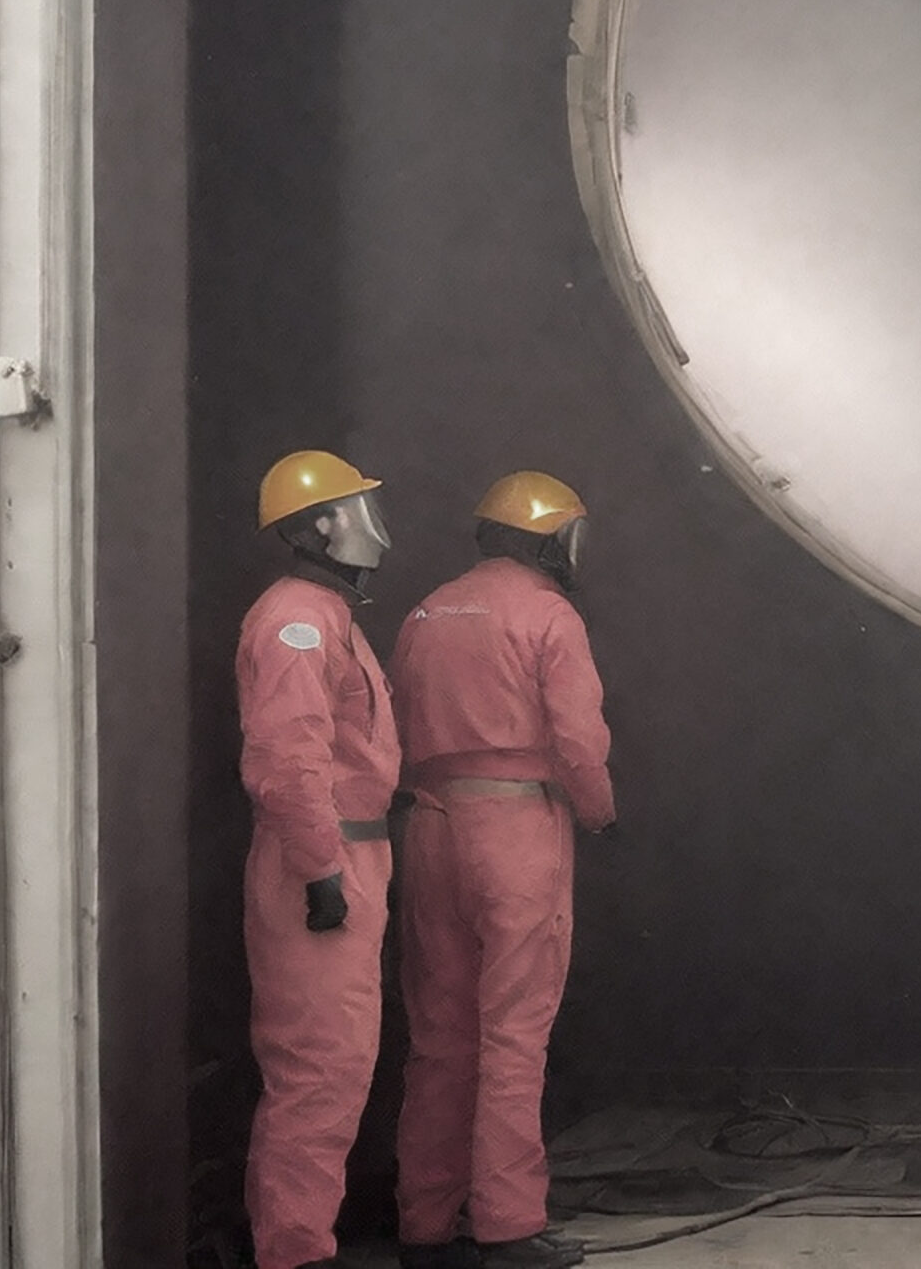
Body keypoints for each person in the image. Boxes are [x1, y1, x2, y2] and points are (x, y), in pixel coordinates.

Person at [391, 473, 615, 1269]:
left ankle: (425, 1223)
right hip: (516, 827)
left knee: (438, 1037)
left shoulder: (426, 612)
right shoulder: (549, 615)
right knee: (513, 1033)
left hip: (430, 825)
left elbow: (392, 722)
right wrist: (598, 811)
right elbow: (578, 741)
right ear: (553, 541)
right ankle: (510, 1225)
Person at [239, 449, 402, 1269]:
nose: (376, 526)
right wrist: (321, 871)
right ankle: (295, 1254)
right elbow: (286, 757)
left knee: (335, 1067)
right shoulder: (297, 622)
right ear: (325, 525)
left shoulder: (326, 615)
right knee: (317, 1071)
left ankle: (300, 1246)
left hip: (341, 856)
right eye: (359, 509)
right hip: (321, 863)